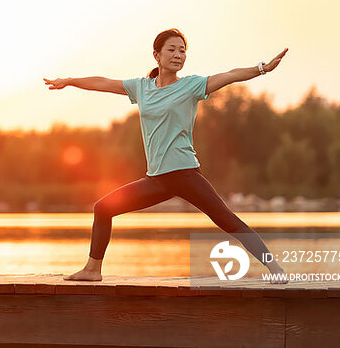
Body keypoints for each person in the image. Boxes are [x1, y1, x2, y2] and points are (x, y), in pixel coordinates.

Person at [43, 28, 289, 283]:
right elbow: (104, 83)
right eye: (171, 49)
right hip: (156, 179)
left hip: (184, 173)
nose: (178, 55)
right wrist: (70, 81)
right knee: (103, 208)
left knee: (228, 220)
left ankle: (276, 270)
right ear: (156, 55)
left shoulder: (190, 86)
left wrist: (262, 68)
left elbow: (228, 76)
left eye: (182, 51)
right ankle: (93, 270)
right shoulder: (141, 87)